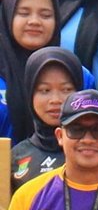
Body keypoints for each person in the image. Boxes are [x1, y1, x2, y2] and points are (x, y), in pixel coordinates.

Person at [0, 0, 68, 139]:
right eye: (24, 13)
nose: (34, 22)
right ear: (8, 16)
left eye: (45, 15)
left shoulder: (76, 74)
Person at [6, 45, 82, 183]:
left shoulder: (97, 149)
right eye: (44, 90)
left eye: (66, 89)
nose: (56, 100)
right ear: (30, 94)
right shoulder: (16, 156)